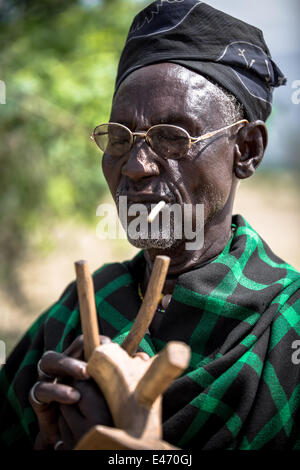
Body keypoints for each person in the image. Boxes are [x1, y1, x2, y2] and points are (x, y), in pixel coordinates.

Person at [1, 0, 300, 451]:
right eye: (120, 137)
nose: (136, 166)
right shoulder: (85, 307)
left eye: (172, 137)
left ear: (247, 150)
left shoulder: (287, 328)